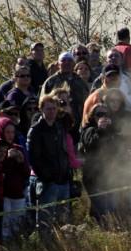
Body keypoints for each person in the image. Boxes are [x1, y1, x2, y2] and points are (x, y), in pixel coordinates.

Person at [27, 95, 71, 227]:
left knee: (63, 220)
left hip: (63, 180)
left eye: (54, 108)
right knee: (45, 221)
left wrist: (66, 173)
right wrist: (47, 177)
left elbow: (64, 153)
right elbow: (33, 158)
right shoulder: (35, 130)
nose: (51, 111)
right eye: (48, 108)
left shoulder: (59, 127)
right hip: (47, 182)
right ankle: (45, 246)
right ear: (41, 110)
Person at [41, 51, 89, 128]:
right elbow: (42, 103)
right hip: (56, 124)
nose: (67, 63)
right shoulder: (50, 82)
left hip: (78, 125)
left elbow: (87, 103)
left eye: (69, 60)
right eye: (63, 60)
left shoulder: (80, 82)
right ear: (58, 64)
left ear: (73, 63)